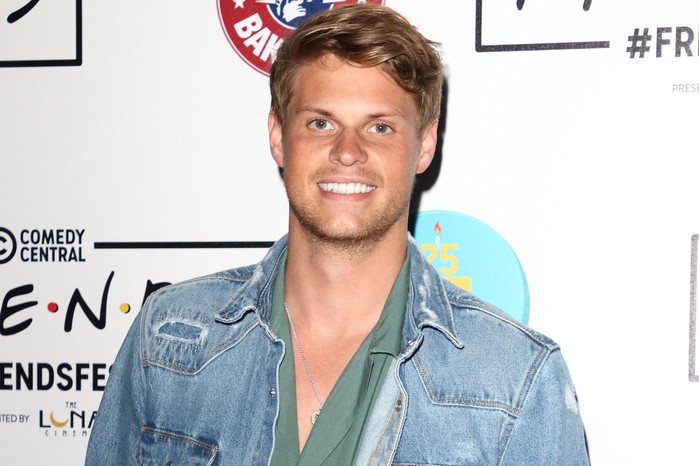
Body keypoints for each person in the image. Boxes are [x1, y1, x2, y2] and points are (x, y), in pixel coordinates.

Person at [86, 4, 589, 465]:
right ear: (279, 138)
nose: (347, 150)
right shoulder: (170, 335)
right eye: (321, 122)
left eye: (380, 128)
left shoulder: (516, 380)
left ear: (425, 145)